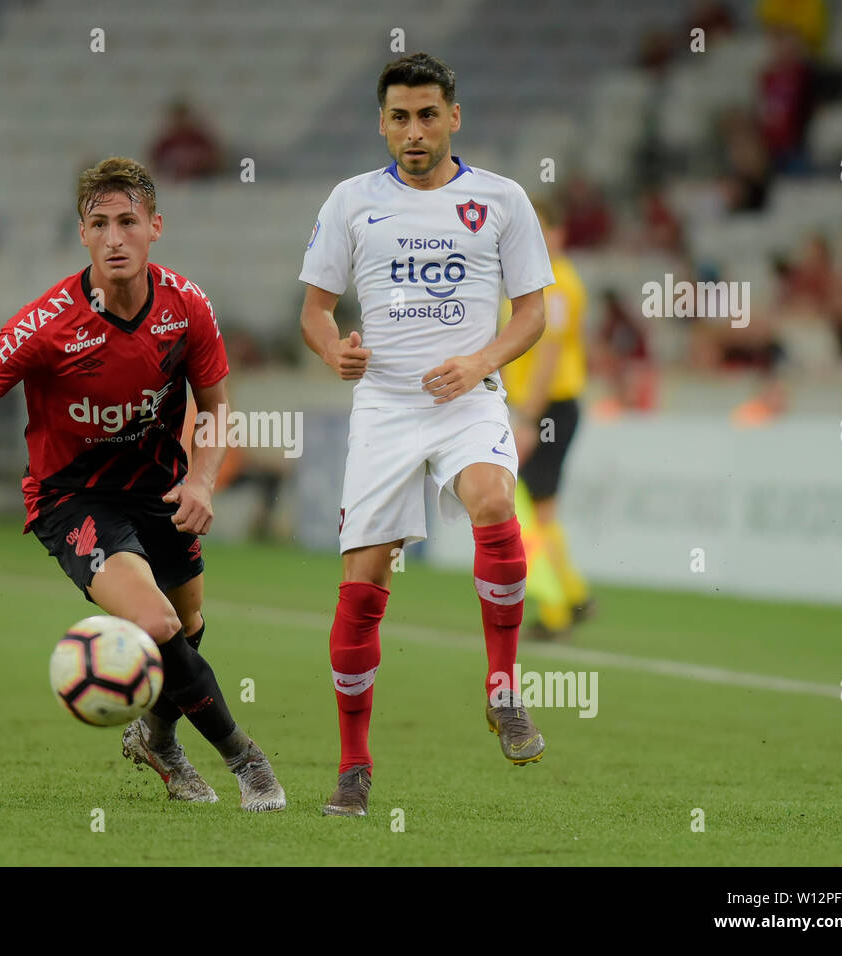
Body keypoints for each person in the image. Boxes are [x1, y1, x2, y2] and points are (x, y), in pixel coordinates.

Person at [0, 157, 285, 812]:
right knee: (154, 618)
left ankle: (158, 739)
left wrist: (202, 479)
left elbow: (219, 405)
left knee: (188, 623)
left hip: (162, 490)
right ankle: (247, 762)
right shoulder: (46, 325)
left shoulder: (186, 307)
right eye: (100, 223)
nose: (115, 237)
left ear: (154, 227)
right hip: (74, 499)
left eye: (128, 222)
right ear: (82, 234)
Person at [299, 53, 554, 817]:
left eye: (428, 114)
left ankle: (504, 688)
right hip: (383, 407)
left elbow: (535, 312)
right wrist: (332, 348)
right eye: (400, 117)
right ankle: (353, 766)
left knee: (493, 503)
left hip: (467, 398)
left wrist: (481, 359)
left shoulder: (501, 200)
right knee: (363, 581)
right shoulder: (350, 202)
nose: (415, 132)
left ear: (455, 117)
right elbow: (314, 310)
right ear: (382, 123)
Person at [502, 199, 595, 640]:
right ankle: (571, 596)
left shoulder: (558, 286)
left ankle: (560, 605)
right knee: (537, 510)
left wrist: (525, 419)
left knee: (531, 511)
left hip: (548, 409)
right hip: (539, 408)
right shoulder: (533, 282)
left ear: (559, 235)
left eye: (544, 230)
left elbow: (548, 357)